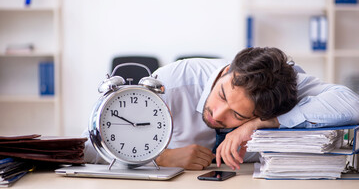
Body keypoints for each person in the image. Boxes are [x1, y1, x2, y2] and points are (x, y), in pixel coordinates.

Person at [83, 47, 359, 170]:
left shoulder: (284, 88)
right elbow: (93, 147)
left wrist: (266, 123)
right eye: (222, 95)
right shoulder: (171, 83)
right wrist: (159, 158)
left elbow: (351, 104)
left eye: (238, 116)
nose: (218, 115)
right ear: (227, 71)